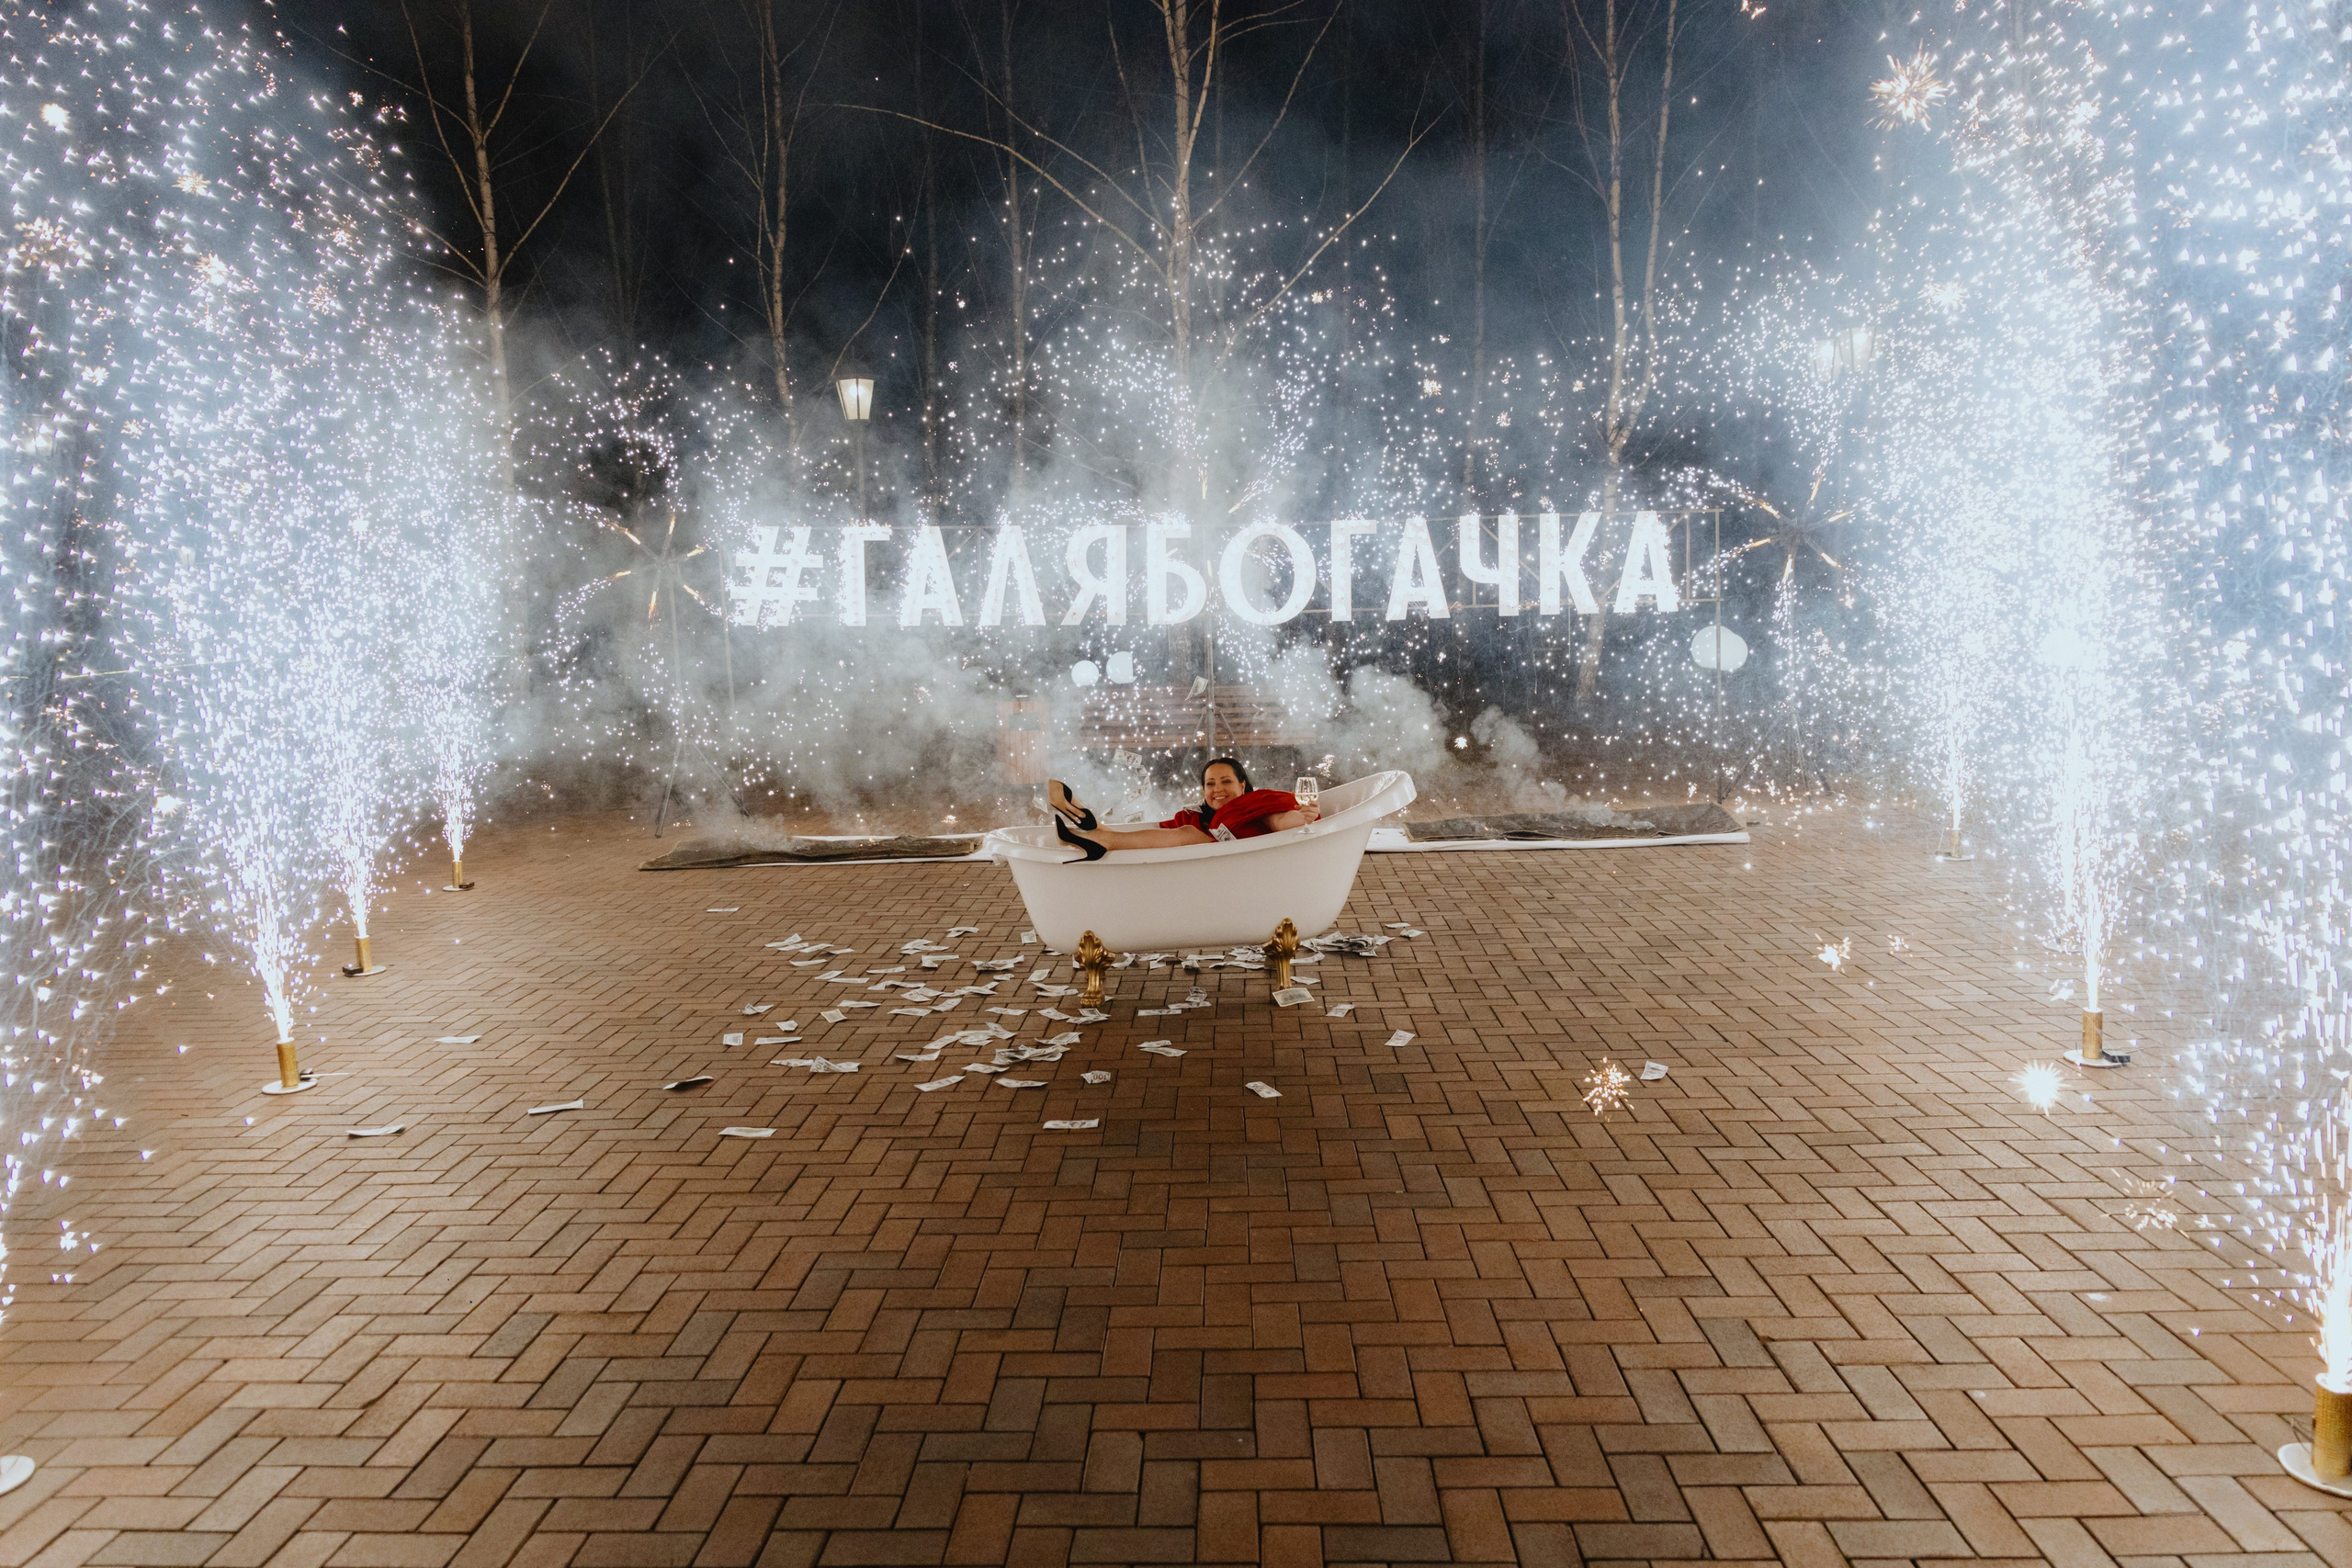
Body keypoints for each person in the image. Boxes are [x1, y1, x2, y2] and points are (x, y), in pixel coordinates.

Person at [1048, 759, 1320, 861]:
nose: (1218, 790)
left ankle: (1102, 839)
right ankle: (1099, 831)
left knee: (1187, 834)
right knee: (1175, 829)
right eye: (1210, 784)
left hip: (1245, 865)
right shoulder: (1202, 815)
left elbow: (1278, 821)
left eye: (1226, 781)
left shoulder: (1255, 805)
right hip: (1216, 865)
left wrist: (1301, 816)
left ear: (1243, 785)